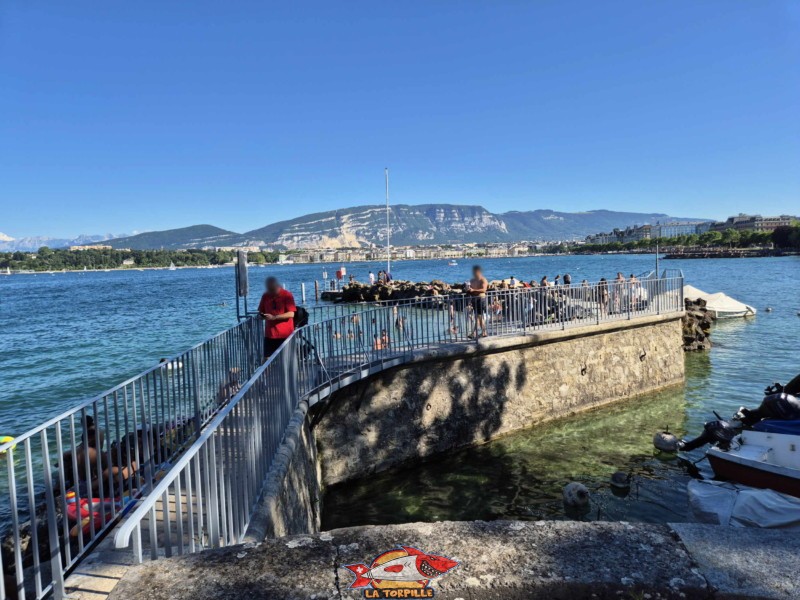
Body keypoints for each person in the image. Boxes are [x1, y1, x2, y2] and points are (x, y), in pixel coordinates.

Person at [258, 276, 296, 360]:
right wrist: (262, 316)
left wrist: (275, 317)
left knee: (285, 360)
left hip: (285, 335)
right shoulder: (265, 296)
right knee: (266, 360)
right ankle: (268, 373)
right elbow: (261, 311)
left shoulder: (287, 295)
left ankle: (287, 373)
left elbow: (291, 314)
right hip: (270, 335)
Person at [468, 265, 489, 338]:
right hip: (474, 299)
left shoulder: (483, 280)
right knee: (478, 316)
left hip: (480, 298)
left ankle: (475, 333)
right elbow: (470, 289)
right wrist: (468, 290)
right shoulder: (472, 280)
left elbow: (484, 290)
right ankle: (482, 332)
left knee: (478, 316)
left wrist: (474, 290)